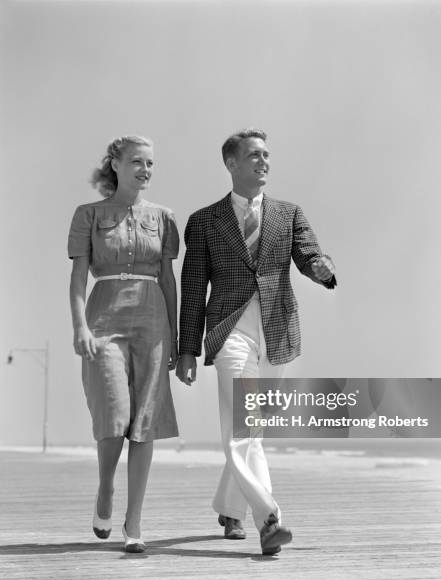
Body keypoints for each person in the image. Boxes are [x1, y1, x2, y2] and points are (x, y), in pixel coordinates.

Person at [176, 128, 336, 555]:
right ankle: (269, 519)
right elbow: (193, 289)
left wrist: (322, 268)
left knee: (252, 427)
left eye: (266, 155)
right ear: (231, 163)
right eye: (253, 156)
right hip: (229, 332)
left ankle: (230, 508)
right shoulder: (204, 221)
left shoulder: (289, 213)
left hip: (278, 332)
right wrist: (187, 348)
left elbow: (309, 254)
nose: (263, 162)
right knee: (245, 426)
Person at [68, 135, 179, 553]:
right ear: (115, 163)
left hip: (152, 320)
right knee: (114, 414)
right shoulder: (88, 215)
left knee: (144, 422)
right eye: (136, 161)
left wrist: (177, 337)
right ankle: (105, 489)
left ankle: (134, 523)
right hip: (103, 318)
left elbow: (167, 278)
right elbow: (79, 277)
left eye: (150, 163)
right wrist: (80, 326)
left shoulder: (165, 218)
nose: (145, 170)